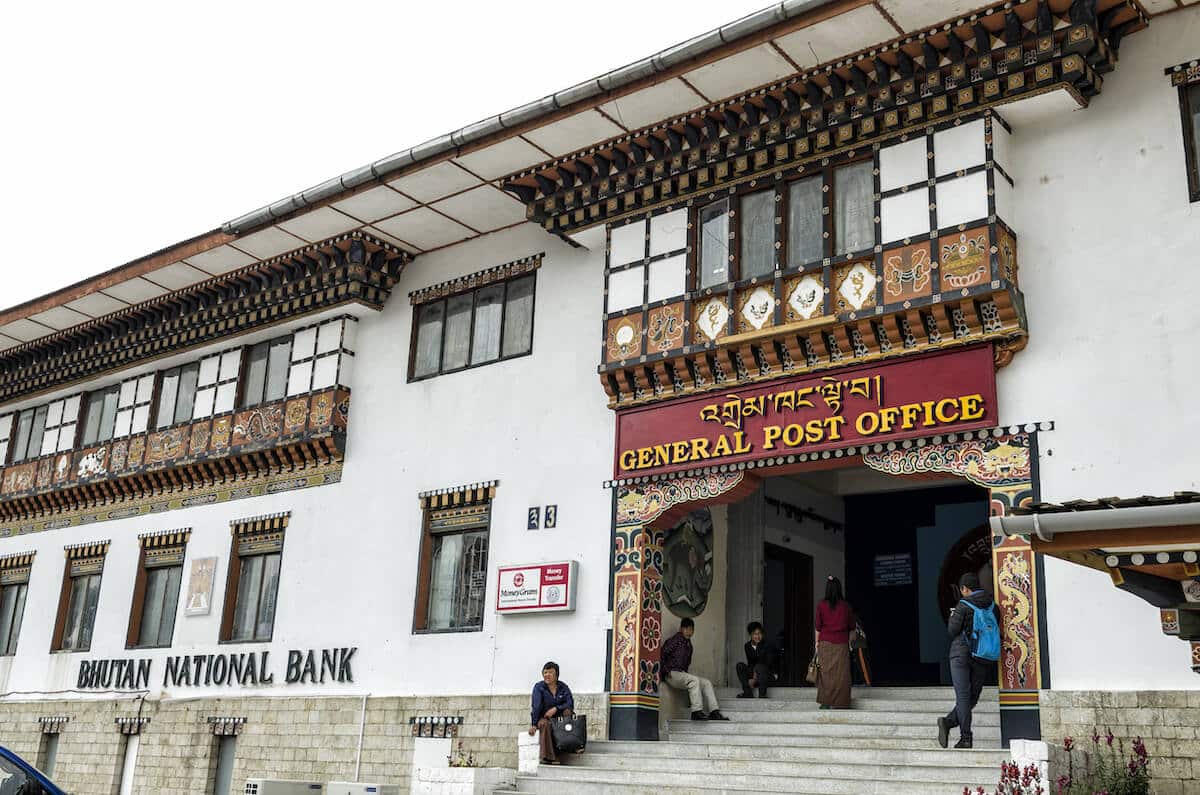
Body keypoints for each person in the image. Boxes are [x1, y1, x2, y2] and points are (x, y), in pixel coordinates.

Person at [939, 573, 1000, 749]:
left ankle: (965, 736)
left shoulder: (963, 605)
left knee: (964, 696)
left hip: (961, 655)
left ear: (965, 588)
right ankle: (948, 722)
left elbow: (952, 630)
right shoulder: (993, 606)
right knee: (972, 697)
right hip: (983, 655)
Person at [660, 618, 729, 721]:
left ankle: (714, 711)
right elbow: (661, 654)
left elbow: (686, 665)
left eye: (691, 629)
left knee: (706, 683)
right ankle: (696, 712)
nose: (689, 631)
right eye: (686, 629)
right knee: (694, 680)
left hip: (681, 674)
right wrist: (666, 671)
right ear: (681, 629)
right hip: (671, 673)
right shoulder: (675, 640)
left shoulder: (689, 645)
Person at [814, 575, 856, 709]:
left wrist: (816, 644)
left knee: (825, 674)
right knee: (841, 675)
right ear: (839, 588)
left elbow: (818, 628)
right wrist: (850, 642)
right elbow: (852, 628)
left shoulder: (821, 605)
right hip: (841, 644)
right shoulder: (846, 606)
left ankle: (825, 703)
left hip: (825, 643)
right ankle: (841, 703)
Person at [528, 661, 576, 765]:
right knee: (546, 725)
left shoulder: (563, 687)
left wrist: (556, 709)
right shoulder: (539, 687)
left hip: (560, 718)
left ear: (556, 675)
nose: (547, 675)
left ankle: (573, 746)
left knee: (568, 712)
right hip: (544, 718)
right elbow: (536, 706)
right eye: (545, 672)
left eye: (550, 672)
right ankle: (549, 757)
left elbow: (570, 703)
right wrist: (534, 724)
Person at [736, 621, 775, 699]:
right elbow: (751, 662)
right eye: (755, 634)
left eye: (759, 633)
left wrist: (754, 678)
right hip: (754, 674)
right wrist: (751, 677)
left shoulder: (767, 645)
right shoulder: (747, 646)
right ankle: (747, 693)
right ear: (750, 635)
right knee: (739, 665)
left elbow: (767, 663)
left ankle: (762, 695)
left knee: (760, 667)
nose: (758, 636)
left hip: (765, 676)